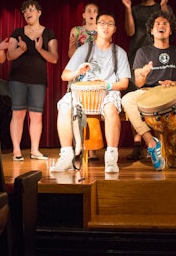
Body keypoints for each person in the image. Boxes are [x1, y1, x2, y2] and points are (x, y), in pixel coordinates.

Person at [50, 12, 130, 173]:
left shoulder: (119, 53)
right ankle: (66, 155)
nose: (106, 26)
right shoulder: (84, 50)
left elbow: (124, 83)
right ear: (96, 28)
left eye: (110, 23)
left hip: (108, 91)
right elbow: (65, 75)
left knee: (110, 108)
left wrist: (105, 85)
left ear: (115, 29)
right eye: (102, 23)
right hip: (83, 93)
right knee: (65, 105)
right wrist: (77, 72)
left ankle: (111, 157)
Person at [122, 11, 176, 172]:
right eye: (157, 24)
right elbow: (138, 82)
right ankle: (151, 143)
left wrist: (174, 83)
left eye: (165, 23)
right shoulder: (142, 53)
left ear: (171, 30)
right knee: (127, 99)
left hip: (173, 91)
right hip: (148, 91)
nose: (161, 26)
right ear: (151, 30)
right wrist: (143, 73)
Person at [120, 0, 173, 160]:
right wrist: (127, 9)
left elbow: (170, 24)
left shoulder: (161, 7)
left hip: (159, 58)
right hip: (137, 57)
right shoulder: (133, 9)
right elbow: (130, 32)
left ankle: (159, 142)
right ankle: (137, 144)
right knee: (136, 101)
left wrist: (164, 5)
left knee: (157, 101)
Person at [5, 0, 59, 161]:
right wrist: (22, 49)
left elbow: (54, 58)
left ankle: (35, 150)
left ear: (39, 12)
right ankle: (16, 151)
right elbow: (9, 56)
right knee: (18, 114)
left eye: (31, 10)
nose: (27, 13)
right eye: (25, 11)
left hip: (38, 80)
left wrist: (38, 49)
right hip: (18, 79)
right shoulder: (17, 32)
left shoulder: (48, 33)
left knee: (36, 116)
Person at [68, 3, 100, 161]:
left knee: (92, 112)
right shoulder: (76, 31)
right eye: (89, 11)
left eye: (95, 11)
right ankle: (78, 146)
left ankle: (92, 149)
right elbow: (70, 54)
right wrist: (74, 45)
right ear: (83, 15)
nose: (92, 13)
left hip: (95, 73)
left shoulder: (101, 31)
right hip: (80, 73)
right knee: (78, 111)